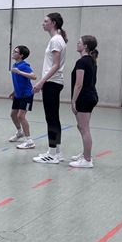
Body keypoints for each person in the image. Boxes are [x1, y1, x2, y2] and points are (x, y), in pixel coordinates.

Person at [32, 13, 68, 164]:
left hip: (52, 82)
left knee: (51, 118)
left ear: (53, 23)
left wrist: (41, 82)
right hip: (53, 82)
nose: (43, 23)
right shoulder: (57, 40)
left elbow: (56, 65)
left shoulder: (55, 40)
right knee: (54, 118)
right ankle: (57, 152)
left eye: (46, 21)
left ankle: (51, 153)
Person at [69, 36, 99, 168]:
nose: (77, 44)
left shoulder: (82, 62)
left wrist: (73, 100)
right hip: (90, 97)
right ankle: (86, 154)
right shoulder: (91, 61)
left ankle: (87, 160)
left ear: (85, 46)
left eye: (79, 43)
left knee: (84, 128)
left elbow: (79, 84)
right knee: (81, 126)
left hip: (84, 98)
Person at [8, 45, 37, 150]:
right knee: (13, 115)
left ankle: (29, 141)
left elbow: (34, 76)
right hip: (18, 94)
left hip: (27, 95)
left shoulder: (24, 65)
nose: (13, 53)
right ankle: (20, 132)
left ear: (21, 55)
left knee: (21, 116)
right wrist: (14, 91)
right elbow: (19, 82)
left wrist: (19, 72)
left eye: (15, 52)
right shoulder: (15, 65)